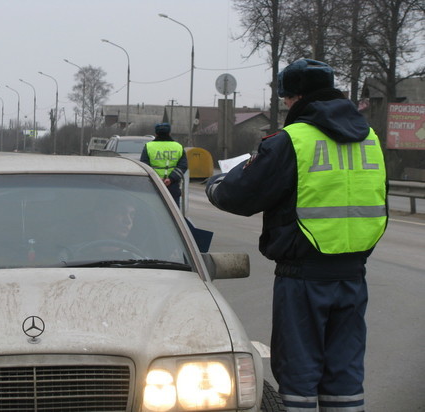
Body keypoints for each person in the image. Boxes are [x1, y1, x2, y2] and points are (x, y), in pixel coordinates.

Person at [205, 58, 387, 412]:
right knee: (345, 376)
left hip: (302, 278)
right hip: (353, 277)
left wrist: (215, 184)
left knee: (299, 375)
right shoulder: (370, 139)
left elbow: (239, 196)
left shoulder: (292, 140)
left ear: (295, 97)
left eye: (286, 98)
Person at [140, 122, 188, 207]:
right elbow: (183, 166)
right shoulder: (178, 146)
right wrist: (171, 179)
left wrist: (156, 178)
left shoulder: (148, 146)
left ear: (156, 133)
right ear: (169, 133)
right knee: (173, 212)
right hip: (172, 185)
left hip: (153, 184)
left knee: (152, 209)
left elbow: (144, 164)